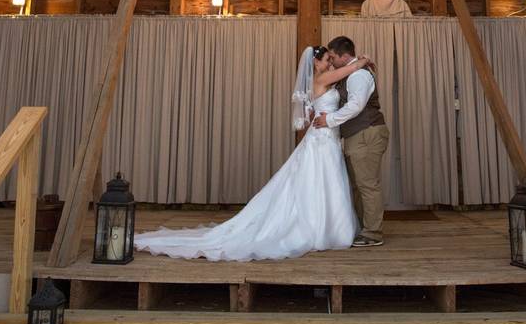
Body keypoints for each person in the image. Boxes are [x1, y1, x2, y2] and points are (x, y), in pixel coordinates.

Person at [132, 46, 372, 261]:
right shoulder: (322, 78)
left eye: (332, 60)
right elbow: (347, 72)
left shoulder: (321, 80)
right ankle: (320, 228)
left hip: (325, 138)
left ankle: (327, 225)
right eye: (327, 60)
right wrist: (362, 61)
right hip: (321, 140)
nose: (330, 64)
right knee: (317, 181)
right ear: (315, 64)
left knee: (325, 182)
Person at [312, 35, 389, 247]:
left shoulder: (358, 76)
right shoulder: (348, 73)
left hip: (367, 132)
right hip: (357, 135)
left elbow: (356, 106)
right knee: (356, 184)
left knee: (366, 184)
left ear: (344, 56)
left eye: (334, 57)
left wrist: (329, 120)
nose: (332, 62)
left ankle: (373, 232)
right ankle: (363, 227)